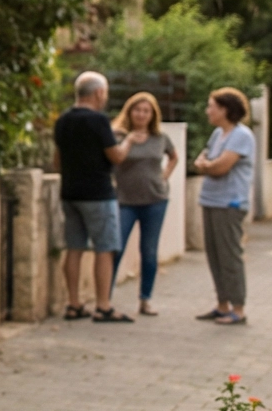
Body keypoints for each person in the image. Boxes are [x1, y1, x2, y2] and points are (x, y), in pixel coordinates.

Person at [51, 71, 131, 322]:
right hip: (98, 193)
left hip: (70, 193)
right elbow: (115, 156)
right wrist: (128, 142)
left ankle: (73, 304)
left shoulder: (62, 121)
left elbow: (57, 160)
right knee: (104, 249)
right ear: (98, 93)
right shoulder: (98, 120)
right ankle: (103, 305)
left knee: (74, 248)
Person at [112, 92, 178, 317]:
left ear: (152, 115)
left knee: (149, 251)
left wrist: (165, 176)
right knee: (116, 248)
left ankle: (145, 300)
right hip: (125, 200)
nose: (141, 114)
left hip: (155, 199)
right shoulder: (118, 135)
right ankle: (106, 298)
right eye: (137, 110)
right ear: (129, 111)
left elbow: (174, 156)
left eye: (146, 111)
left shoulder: (160, 137)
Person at [195, 87, 256, 325]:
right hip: (210, 200)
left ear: (225, 109)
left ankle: (238, 309)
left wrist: (206, 165)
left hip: (229, 203)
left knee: (230, 256)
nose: (207, 111)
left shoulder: (241, 135)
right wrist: (207, 164)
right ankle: (222, 305)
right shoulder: (217, 134)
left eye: (212, 106)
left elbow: (219, 167)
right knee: (214, 255)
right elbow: (204, 161)